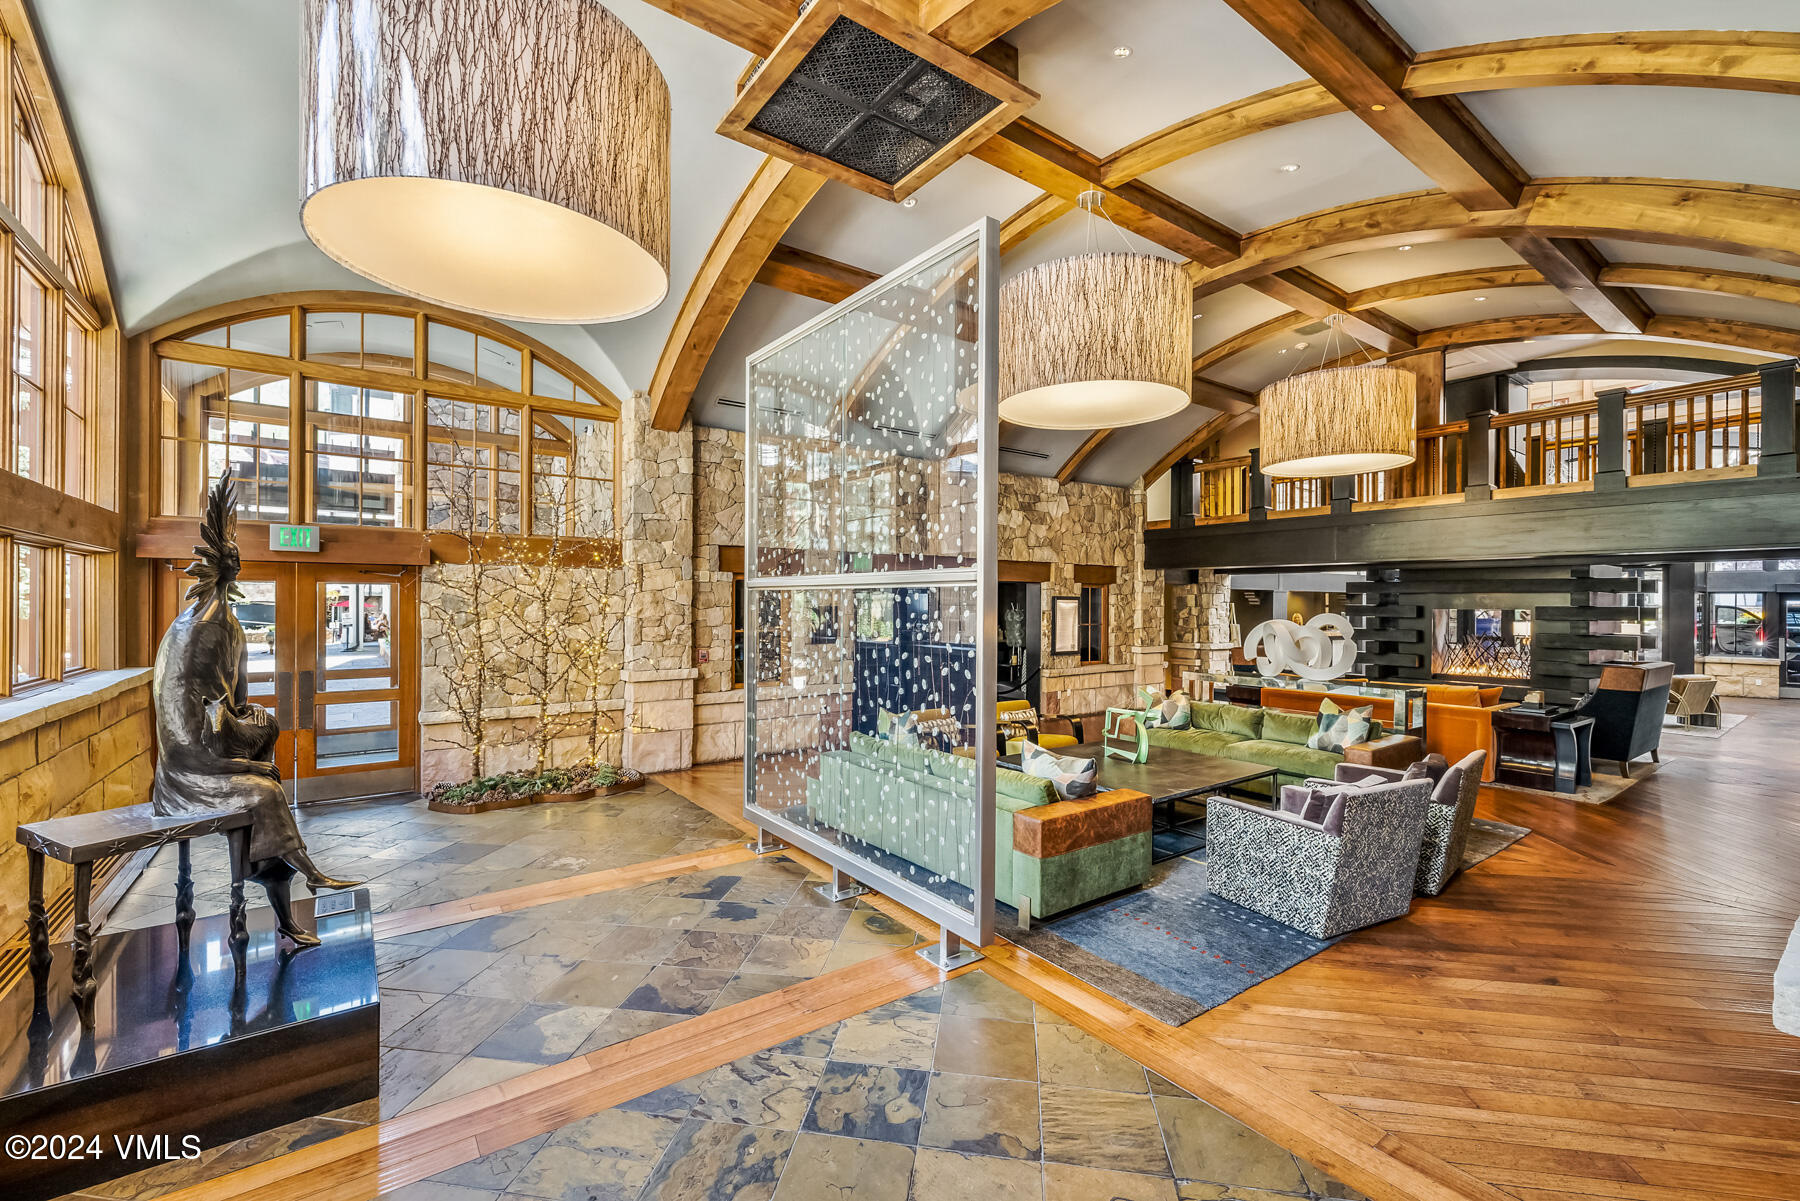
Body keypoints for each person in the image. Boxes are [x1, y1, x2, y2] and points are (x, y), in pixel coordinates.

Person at [151, 473, 359, 947]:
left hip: (211, 749)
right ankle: (307, 876)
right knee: (265, 794)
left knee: (267, 787)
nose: (238, 565)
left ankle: (291, 898)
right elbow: (185, 733)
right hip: (188, 770)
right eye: (231, 558)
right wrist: (245, 760)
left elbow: (235, 702)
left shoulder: (227, 626)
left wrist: (252, 736)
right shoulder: (198, 631)